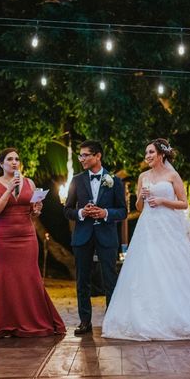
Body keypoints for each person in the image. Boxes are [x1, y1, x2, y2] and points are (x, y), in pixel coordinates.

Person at [102, 139, 190, 341]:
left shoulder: (172, 175)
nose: (148, 156)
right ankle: (145, 316)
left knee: (170, 266)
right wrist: (141, 198)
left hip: (168, 226)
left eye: (151, 152)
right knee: (146, 267)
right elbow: (139, 208)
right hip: (148, 227)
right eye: (146, 153)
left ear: (161, 154)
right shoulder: (143, 176)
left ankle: (176, 316)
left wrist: (162, 201)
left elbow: (183, 204)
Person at [0, 148, 65, 339]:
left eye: (17, 159)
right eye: (10, 159)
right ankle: (7, 321)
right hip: (3, 237)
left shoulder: (29, 182)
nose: (14, 162)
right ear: (1, 164)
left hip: (26, 236)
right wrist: (9, 189)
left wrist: (37, 210)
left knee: (29, 275)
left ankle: (33, 319)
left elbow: (32, 212)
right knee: (6, 276)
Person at [63, 140, 128, 336]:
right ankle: (85, 322)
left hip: (106, 236)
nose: (81, 159)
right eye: (80, 155)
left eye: (85, 155)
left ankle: (112, 321)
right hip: (83, 235)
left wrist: (105, 213)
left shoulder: (114, 180)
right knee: (82, 280)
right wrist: (82, 212)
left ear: (97, 156)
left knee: (110, 280)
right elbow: (67, 210)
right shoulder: (76, 180)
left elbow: (123, 211)